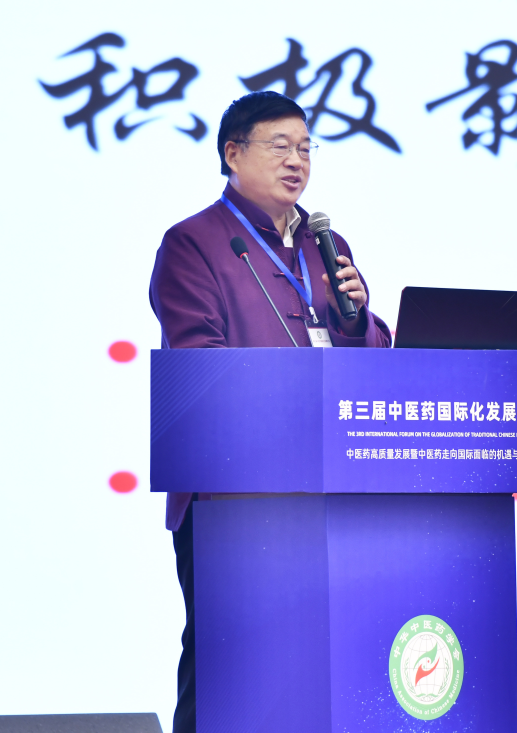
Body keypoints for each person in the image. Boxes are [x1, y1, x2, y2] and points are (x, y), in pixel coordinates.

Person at [147, 90, 391, 733]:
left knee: (317, 668)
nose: (297, 161)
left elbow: (375, 357)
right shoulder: (194, 243)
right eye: (280, 146)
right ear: (233, 154)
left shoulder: (325, 243)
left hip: (328, 488)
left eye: (306, 148)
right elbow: (197, 362)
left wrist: (357, 320)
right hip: (231, 495)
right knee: (228, 670)